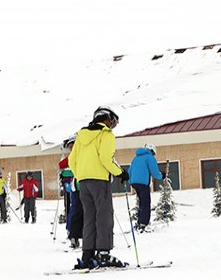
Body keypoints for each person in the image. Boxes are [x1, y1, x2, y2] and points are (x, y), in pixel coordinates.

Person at [69, 106, 130, 269]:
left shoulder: (81, 136)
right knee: (104, 216)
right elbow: (105, 158)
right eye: (112, 121)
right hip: (99, 180)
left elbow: (71, 160)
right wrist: (120, 173)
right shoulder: (106, 135)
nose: (112, 125)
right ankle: (103, 253)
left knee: (89, 217)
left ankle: (87, 254)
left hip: (84, 182)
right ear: (106, 119)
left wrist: (81, 174)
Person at [128, 143, 165, 233]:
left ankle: (140, 221)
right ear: (152, 151)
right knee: (146, 203)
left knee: (141, 202)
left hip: (134, 183)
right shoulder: (149, 158)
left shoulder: (135, 158)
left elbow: (130, 171)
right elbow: (155, 172)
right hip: (143, 183)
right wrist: (162, 176)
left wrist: (130, 181)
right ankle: (144, 224)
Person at [59, 134, 83, 248]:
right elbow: (62, 166)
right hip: (76, 188)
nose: (71, 148)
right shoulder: (72, 156)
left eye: (72, 145)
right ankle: (73, 234)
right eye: (69, 147)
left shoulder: (83, 154)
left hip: (86, 186)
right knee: (75, 211)